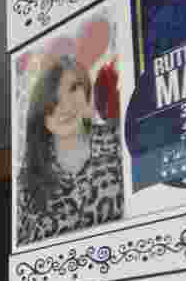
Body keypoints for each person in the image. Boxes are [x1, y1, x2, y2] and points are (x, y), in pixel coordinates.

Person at [16, 55, 124, 246]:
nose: (65, 106)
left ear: (87, 91)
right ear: (40, 112)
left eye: (73, 88)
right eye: (53, 99)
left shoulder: (119, 141)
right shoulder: (27, 181)